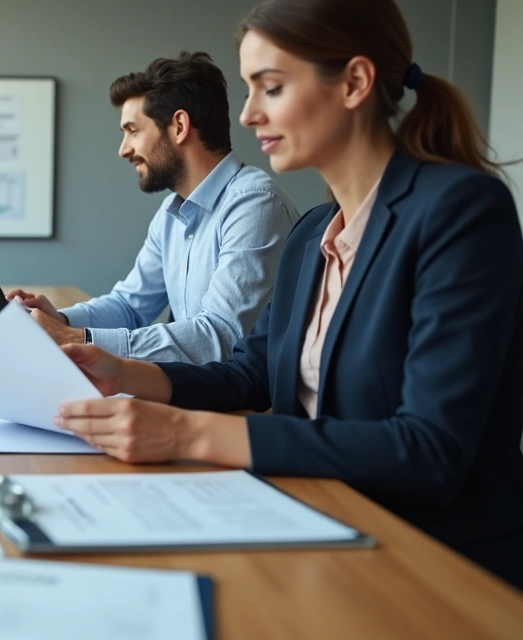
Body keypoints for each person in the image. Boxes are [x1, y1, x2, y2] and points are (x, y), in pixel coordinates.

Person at [53, 0, 523, 588]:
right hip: (310, 521)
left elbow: (427, 449)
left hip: (430, 561)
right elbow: (249, 373)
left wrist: (183, 432)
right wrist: (123, 373)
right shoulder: (311, 232)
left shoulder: (460, 212)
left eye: (269, 88)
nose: (248, 115)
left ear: (354, 82)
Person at [8, 51, 298, 365]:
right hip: (198, 396)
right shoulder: (172, 213)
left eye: (133, 131)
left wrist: (77, 339)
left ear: (179, 126)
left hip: (249, 408)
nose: (124, 150)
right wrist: (60, 321)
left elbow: (221, 338)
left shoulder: (254, 204)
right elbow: (130, 307)